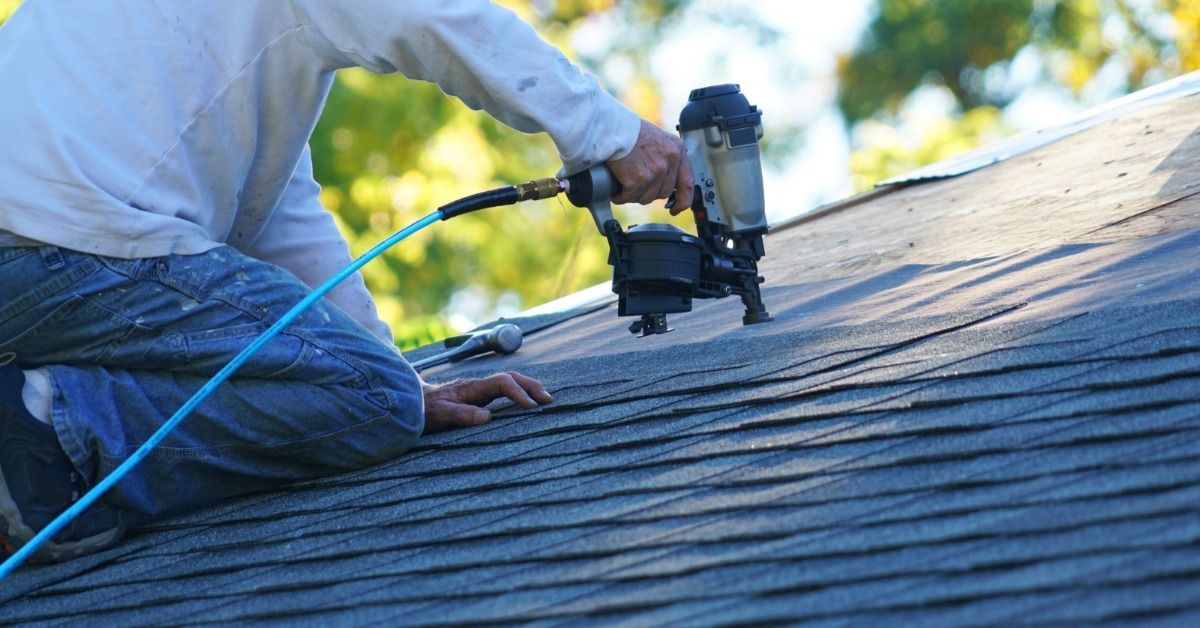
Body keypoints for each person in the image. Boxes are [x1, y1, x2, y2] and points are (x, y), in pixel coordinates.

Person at [0, 1, 693, 563]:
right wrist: (609, 131)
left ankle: (39, 425)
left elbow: (279, 219)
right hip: (63, 242)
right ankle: (40, 434)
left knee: (382, 390)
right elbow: (434, 18)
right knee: (377, 401)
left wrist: (391, 372)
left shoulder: (227, 52)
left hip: (49, 247)